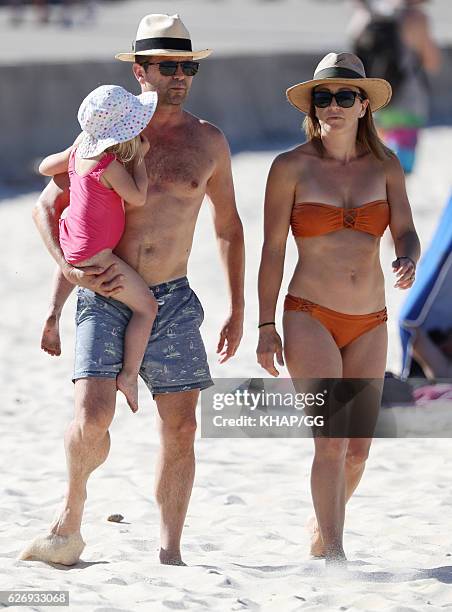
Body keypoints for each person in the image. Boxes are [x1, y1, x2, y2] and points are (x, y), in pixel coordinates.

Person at [20, 13, 245, 567]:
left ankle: (170, 552)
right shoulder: (108, 132)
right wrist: (67, 274)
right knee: (93, 416)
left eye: (187, 66)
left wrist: (241, 311)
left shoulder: (208, 140)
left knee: (183, 424)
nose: (180, 76)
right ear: (140, 70)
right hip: (105, 290)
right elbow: (48, 207)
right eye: (168, 66)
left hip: (171, 297)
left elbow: (229, 226)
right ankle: (69, 521)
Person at [256, 52, 420, 566]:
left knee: (358, 451)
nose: (333, 106)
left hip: (370, 320)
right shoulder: (289, 167)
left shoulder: (387, 164)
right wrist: (265, 325)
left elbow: (407, 230)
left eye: (344, 96)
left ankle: (322, 524)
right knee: (330, 441)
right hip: (310, 314)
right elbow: (273, 251)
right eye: (323, 97)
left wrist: (408, 256)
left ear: (364, 104)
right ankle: (333, 551)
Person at [39, 85, 159, 413]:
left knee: (71, 259)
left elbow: (45, 168)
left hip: (71, 241)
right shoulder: (109, 166)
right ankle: (130, 375)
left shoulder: (79, 151)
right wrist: (141, 161)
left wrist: (71, 151)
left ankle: (53, 311)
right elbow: (138, 196)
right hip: (98, 254)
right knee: (147, 308)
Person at [351, 0, 441, 174]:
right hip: (406, 106)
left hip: (373, 102)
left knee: (375, 168)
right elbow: (433, 63)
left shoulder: (365, 15)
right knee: (399, 172)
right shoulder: (416, 18)